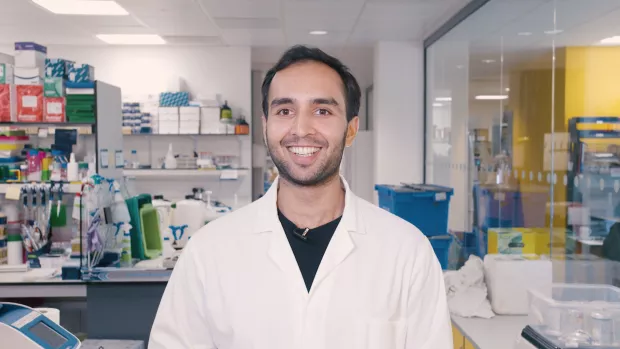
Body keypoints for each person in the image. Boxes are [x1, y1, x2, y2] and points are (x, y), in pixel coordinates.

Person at [149, 45, 452, 349]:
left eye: (322, 111)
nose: (302, 129)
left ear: (350, 129)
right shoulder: (208, 252)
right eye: (284, 111)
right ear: (266, 126)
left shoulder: (408, 253)